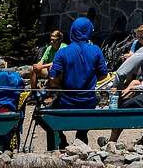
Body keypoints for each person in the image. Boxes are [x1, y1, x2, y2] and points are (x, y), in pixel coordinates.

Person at [46, 16, 109, 146]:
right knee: (94, 101)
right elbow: (103, 75)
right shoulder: (96, 50)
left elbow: (53, 79)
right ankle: (81, 135)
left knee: (46, 114)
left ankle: (61, 139)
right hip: (88, 102)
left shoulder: (62, 52)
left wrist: (61, 85)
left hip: (66, 102)